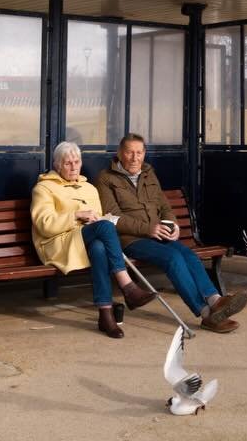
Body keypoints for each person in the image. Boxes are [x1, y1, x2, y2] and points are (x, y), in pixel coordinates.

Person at [95, 133, 247, 332]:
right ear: (119, 153)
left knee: (189, 255)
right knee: (173, 258)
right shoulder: (106, 178)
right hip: (130, 239)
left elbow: (164, 207)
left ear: (144, 153)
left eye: (139, 152)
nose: (135, 158)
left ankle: (216, 301)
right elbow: (112, 217)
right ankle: (205, 314)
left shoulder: (149, 173)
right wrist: (148, 229)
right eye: (130, 152)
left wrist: (173, 225)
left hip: (158, 235)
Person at [30, 141, 156, 339]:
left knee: (99, 248)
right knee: (104, 229)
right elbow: (44, 225)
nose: (73, 167)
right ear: (57, 165)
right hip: (58, 242)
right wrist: (76, 215)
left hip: (85, 240)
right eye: (68, 163)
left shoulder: (89, 188)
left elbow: (97, 219)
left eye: (77, 162)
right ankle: (128, 286)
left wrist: (99, 219)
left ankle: (106, 314)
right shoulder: (43, 188)